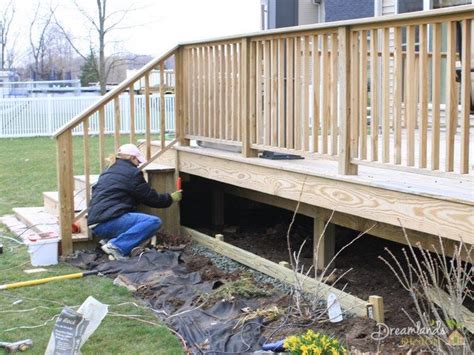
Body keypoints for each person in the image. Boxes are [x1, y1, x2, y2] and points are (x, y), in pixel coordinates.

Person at [87, 143, 182, 260]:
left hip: (96, 222)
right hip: (107, 222)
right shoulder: (132, 173)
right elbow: (151, 198)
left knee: (133, 218)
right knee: (153, 222)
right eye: (138, 161)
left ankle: (109, 242)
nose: (139, 164)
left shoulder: (110, 169)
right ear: (132, 158)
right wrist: (170, 198)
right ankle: (116, 246)